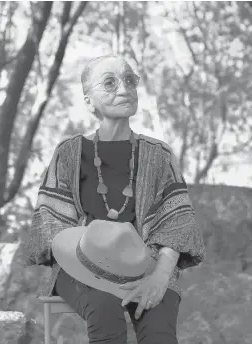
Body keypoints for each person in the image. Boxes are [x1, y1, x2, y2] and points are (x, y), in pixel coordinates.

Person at [24, 54, 206, 344]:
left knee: (159, 331)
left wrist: (159, 278)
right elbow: (50, 229)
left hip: (147, 267)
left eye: (130, 80)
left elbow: (177, 225)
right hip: (82, 267)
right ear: (88, 102)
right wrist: (91, 262)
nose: (124, 89)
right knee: (105, 311)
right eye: (109, 83)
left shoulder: (159, 155)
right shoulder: (70, 153)